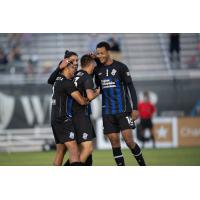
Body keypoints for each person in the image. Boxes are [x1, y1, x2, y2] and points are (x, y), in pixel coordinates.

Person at [93, 41, 146, 166]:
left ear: (108, 52)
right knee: (114, 143)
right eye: (97, 53)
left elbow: (131, 88)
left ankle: (143, 166)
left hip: (123, 111)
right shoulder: (97, 70)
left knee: (129, 141)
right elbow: (99, 88)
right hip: (107, 113)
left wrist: (135, 108)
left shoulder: (121, 67)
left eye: (102, 53)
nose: (99, 55)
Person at [48, 51, 88, 166]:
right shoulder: (67, 83)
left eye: (77, 61)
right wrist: (91, 97)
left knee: (61, 151)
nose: (75, 66)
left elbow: (50, 80)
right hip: (63, 119)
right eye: (73, 64)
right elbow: (81, 101)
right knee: (74, 151)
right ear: (65, 65)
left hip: (55, 119)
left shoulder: (57, 79)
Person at [71, 54, 100, 164]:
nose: (95, 67)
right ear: (91, 64)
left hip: (72, 115)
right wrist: (97, 93)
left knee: (81, 152)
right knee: (87, 149)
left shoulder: (76, 74)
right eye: (94, 64)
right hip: (81, 116)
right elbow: (90, 96)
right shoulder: (87, 77)